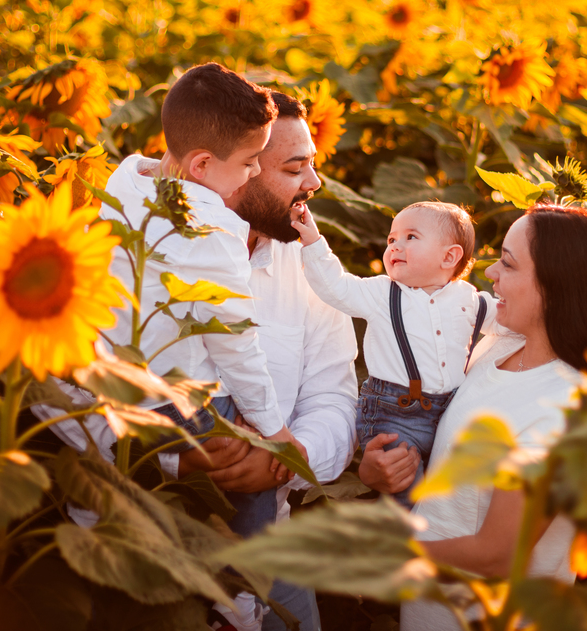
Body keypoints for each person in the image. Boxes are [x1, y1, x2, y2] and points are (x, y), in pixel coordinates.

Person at [35, 88, 358, 630]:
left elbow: (334, 394)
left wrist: (287, 455)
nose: (314, 183)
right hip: (135, 541)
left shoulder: (312, 267)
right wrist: (172, 462)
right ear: (230, 169)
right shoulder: (112, 239)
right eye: (293, 167)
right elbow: (54, 385)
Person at [357, 204, 587, 631]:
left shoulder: (568, 409)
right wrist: (380, 469)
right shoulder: (502, 344)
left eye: (508, 264)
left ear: (555, 285)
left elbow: (499, 553)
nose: (490, 272)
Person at [291, 201, 494, 507]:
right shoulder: (382, 293)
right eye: (391, 239)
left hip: (448, 413)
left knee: (448, 497)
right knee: (407, 493)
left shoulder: (469, 300)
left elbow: (512, 320)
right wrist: (313, 242)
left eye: (410, 237)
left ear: (449, 256)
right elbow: (336, 287)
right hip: (394, 415)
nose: (395, 246)